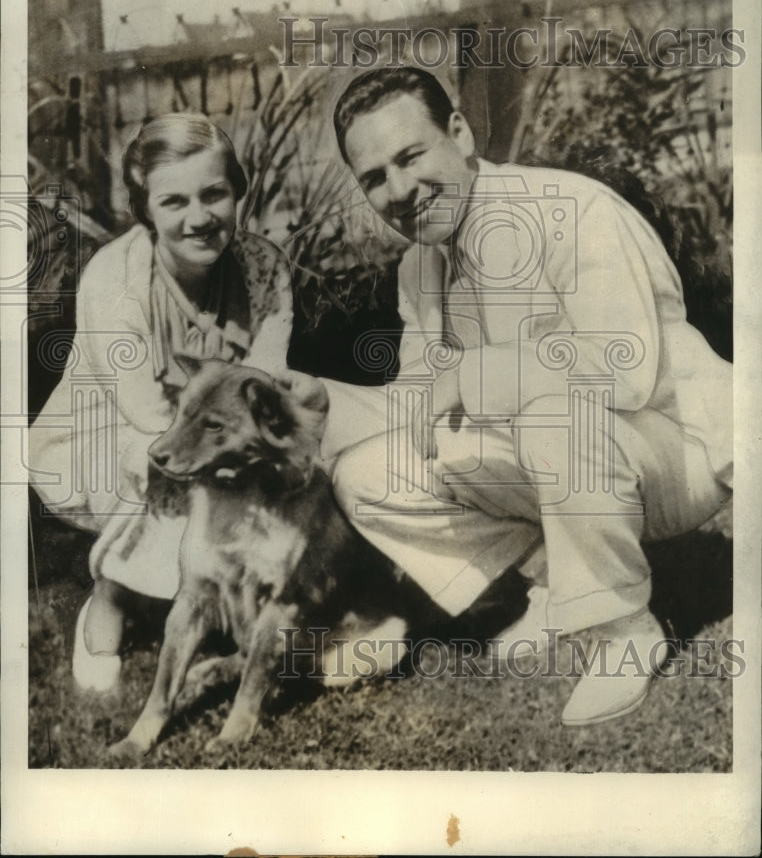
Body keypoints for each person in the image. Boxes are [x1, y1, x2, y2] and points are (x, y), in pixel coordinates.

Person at [329, 67, 733, 726]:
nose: (399, 190)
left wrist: (478, 377)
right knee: (365, 471)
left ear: (458, 134)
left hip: (675, 449)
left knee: (552, 412)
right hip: (567, 465)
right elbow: (417, 395)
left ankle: (625, 630)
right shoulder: (419, 267)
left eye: (410, 156)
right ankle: (553, 579)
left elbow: (625, 371)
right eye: (374, 177)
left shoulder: (570, 207)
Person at [29, 114, 293, 693]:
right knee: (154, 469)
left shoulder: (264, 267)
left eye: (214, 194)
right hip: (103, 434)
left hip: (217, 430)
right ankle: (110, 600)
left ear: (238, 191)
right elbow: (146, 416)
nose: (198, 218)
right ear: (145, 208)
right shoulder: (115, 279)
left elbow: (266, 387)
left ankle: (229, 598)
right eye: (173, 201)